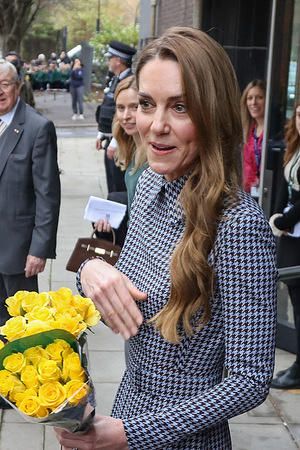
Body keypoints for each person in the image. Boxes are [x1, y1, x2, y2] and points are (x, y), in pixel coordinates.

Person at [55, 27, 277, 449]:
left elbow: (249, 381)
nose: (155, 126)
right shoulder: (150, 188)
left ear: (212, 113)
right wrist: (89, 269)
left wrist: (132, 434)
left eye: (179, 107)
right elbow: (127, 304)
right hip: (124, 411)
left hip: (184, 439)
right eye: (146, 104)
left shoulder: (239, 225)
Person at [0, 60, 60, 333]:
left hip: (18, 251)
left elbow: (47, 195)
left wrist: (39, 249)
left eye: (5, 84)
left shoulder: (38, 128)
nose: (0, 91)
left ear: (18, 87)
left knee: (21, 329)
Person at [94, 75, 147, 247]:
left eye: (134, 107)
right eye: (120, 108)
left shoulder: (156, 157)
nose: (126, 116)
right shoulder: (131, 150)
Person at [269, 100, 300, 390]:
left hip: (297, 232)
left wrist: (284, 219)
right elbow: (285, 186)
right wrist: (276, 217)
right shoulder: (296, 146)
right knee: (294, 297)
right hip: (291, 235)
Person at [95, 40, 137, 193]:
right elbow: (109, 109)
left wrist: (116, 142)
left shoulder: (129, 82)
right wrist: (101, 133)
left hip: (122, 142)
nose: (108, 62)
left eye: (110, 58)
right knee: (111, 185)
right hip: (111, 140)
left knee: (119, 187)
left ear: (118, 60)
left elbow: (127, 117)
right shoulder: (115, 80)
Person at [241, 79, 266, 198]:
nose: (254, 102)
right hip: (251, 194)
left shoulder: (274, 132)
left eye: (259, 97)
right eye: (249, 98)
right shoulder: (249, 131)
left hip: (269, 192)